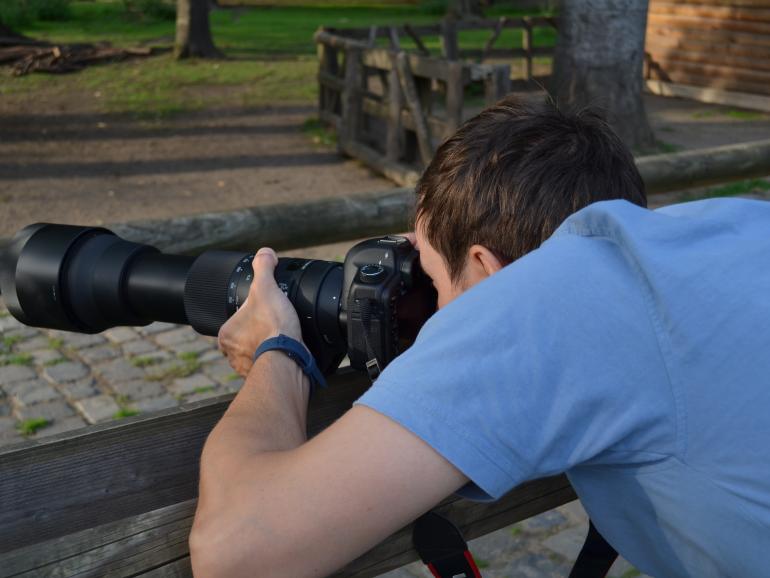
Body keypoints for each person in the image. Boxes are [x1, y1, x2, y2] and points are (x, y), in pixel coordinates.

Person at [189, 95, 770, 578]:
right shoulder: (727, 228)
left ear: (489, 270)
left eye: (434, 282)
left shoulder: (549, 298)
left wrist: (277, 347)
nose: (431, 307)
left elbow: (237, 552)